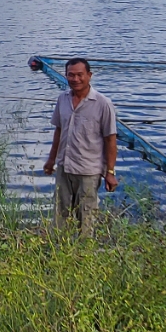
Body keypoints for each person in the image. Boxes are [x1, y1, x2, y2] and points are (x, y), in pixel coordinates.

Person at [41, 58, 118, 237]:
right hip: (64, 167)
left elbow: (110, 140)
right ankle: (60, 253)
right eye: (71, 75)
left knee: (86, 217)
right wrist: (51, 160)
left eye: (79, 75)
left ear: (89, 76)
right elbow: (59, 131)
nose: (75, 79)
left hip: (88, 171)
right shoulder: (63, 99)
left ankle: (84, 255)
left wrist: (111, 172)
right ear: (66, 76)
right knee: (60, 215)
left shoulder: (102, 103)